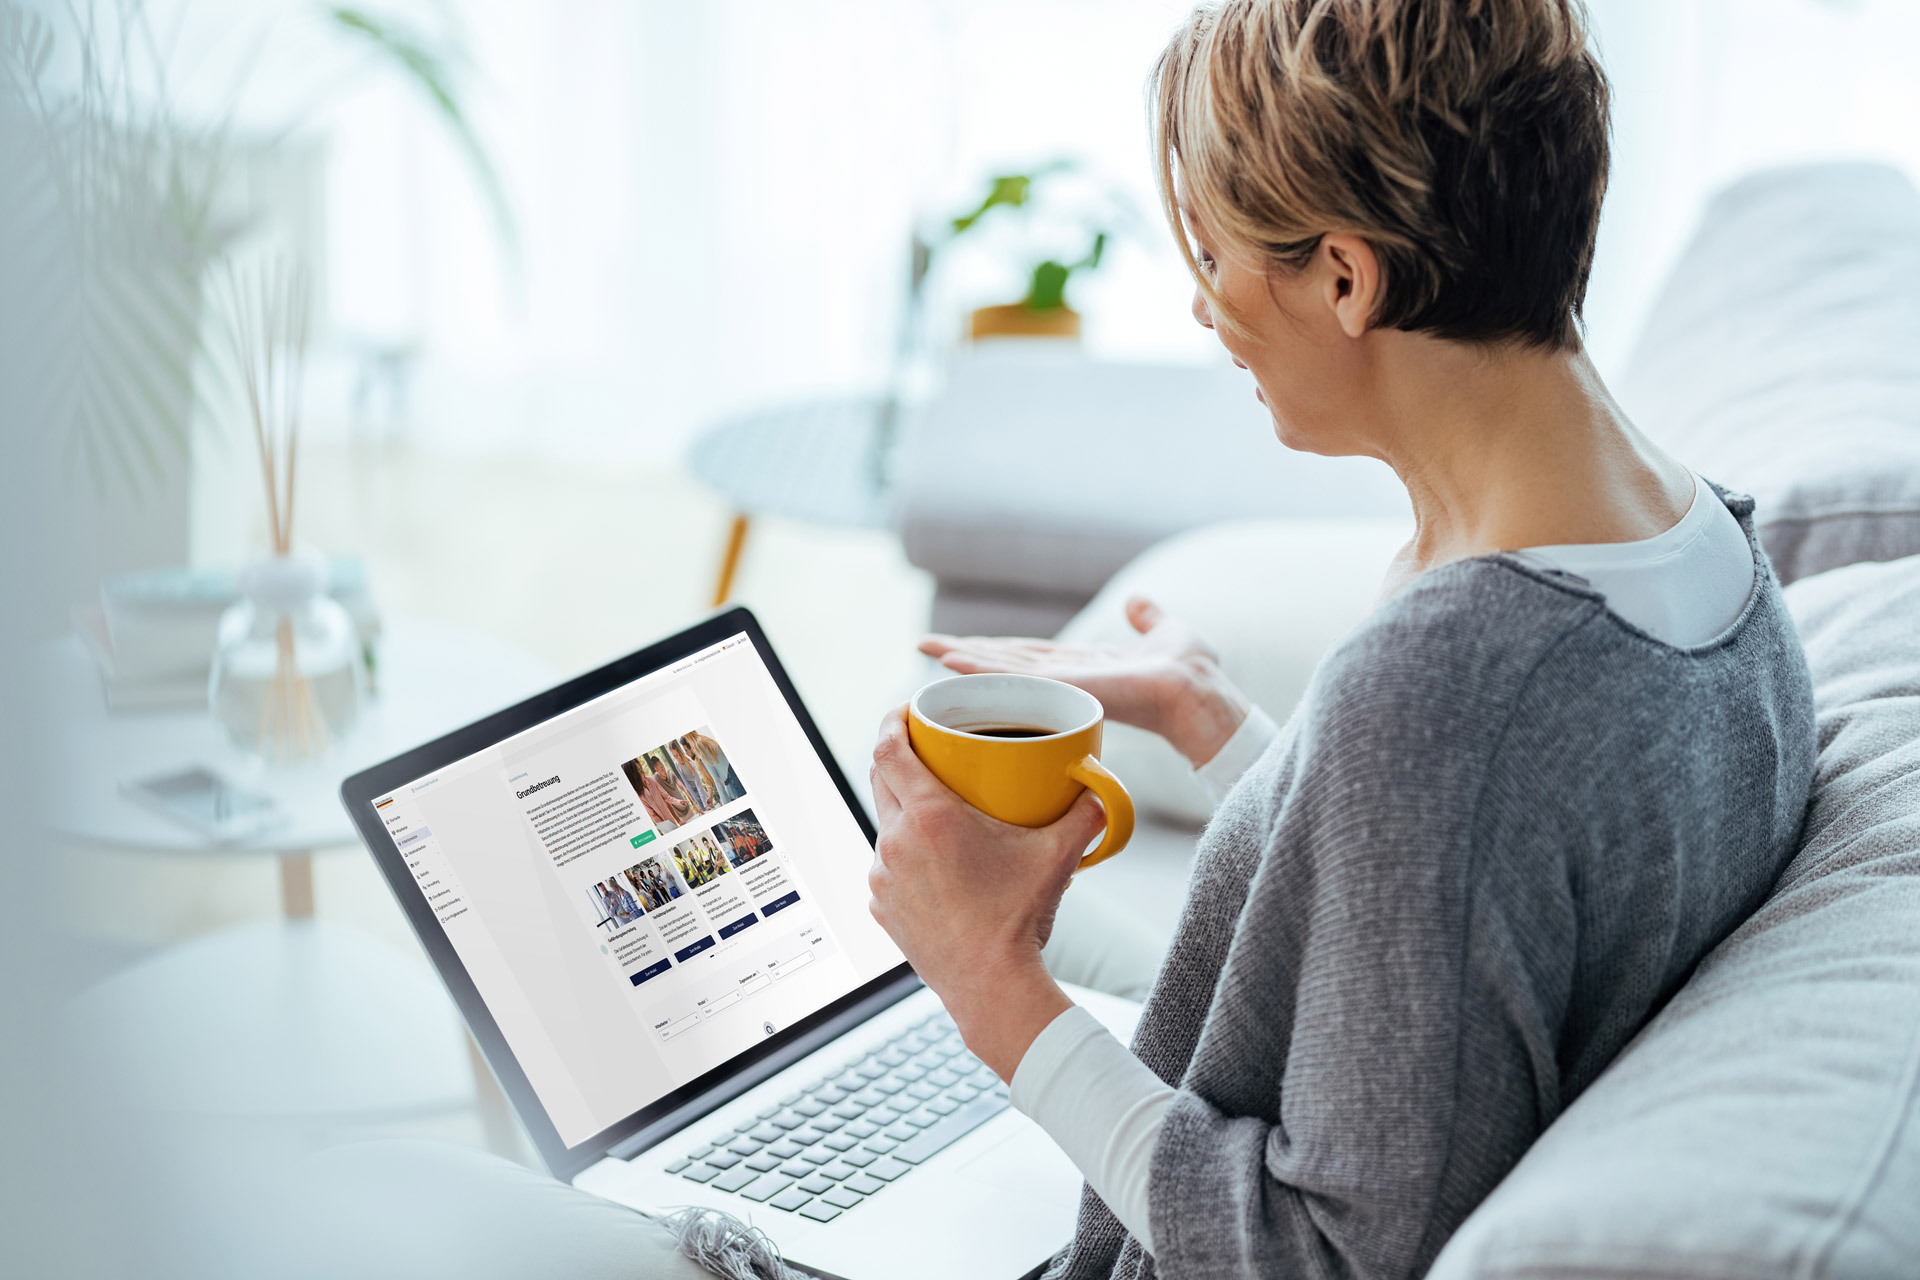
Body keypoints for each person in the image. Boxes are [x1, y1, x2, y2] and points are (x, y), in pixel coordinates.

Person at [865, 3, 1817, 1278]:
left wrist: (992, 980)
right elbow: (1458, 900)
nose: (1206, 311)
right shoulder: (1703, 545)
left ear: (1345, 276)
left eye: (1213, 255)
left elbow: (1324, 1252)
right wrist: (1219, 721)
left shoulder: (1451, 688)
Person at [684, 728, 742, 801]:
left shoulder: (699, 745)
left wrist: (725, 802)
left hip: (731, 777)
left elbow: (716, 779)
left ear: (687, 737)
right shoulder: (703, 739)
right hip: (732, 774)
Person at [643, 755, 696, 830]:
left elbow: (683, 787)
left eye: (663, 767)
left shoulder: (670, 773)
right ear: (656, 770)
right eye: (661, 769)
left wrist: (694, 803)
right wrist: (677, 820)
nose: (664, 770)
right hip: (680, 815)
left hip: (687, 808)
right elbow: (666, 802)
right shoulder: (656, 779)